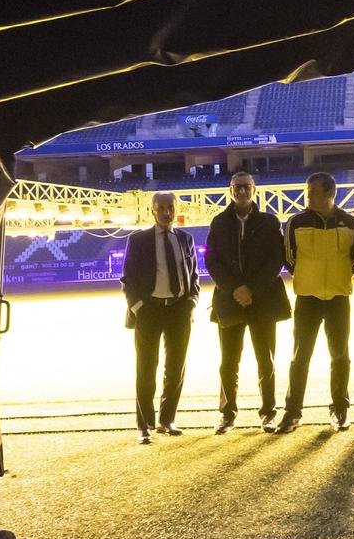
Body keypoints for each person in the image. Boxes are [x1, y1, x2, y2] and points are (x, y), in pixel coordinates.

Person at [204, 171, 290, 433]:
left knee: (266, 360)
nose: (241, 191)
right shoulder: (218, 222)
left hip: (262, 301)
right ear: (231, 190)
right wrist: (235, 289)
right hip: (229, 301)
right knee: (229, 362)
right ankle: (227, 414)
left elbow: (276, 260)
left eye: (246, 187)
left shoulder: (268, 221)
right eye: (237, 187)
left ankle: (268, 413)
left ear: (254, 189)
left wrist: (251, 288)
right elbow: (212, 261)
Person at [277, 171, 354, 432]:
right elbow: (289, 259)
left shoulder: (350, 223)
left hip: (339, 298)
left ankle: (340, 409)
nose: (307, 195)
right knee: (300, 357)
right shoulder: (295, 222)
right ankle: (293, 413)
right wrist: (310, 277)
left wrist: (335, 277)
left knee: (340, 356)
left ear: (328, 193)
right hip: (307, 299)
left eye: (312, 191)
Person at [120, 191, 199, 444]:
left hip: (179, 310)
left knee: (175, 368)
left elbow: (194, 276)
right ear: (153, 210)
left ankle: (167, 420)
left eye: (170, 207)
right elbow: (128, 279)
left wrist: (191, 302)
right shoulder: (139, 239)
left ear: (176, 209)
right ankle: (144, 425)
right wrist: (139, 307)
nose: (166, 212)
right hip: (149, 311)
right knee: (146, 368)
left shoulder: (185, 239)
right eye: (161, 207)